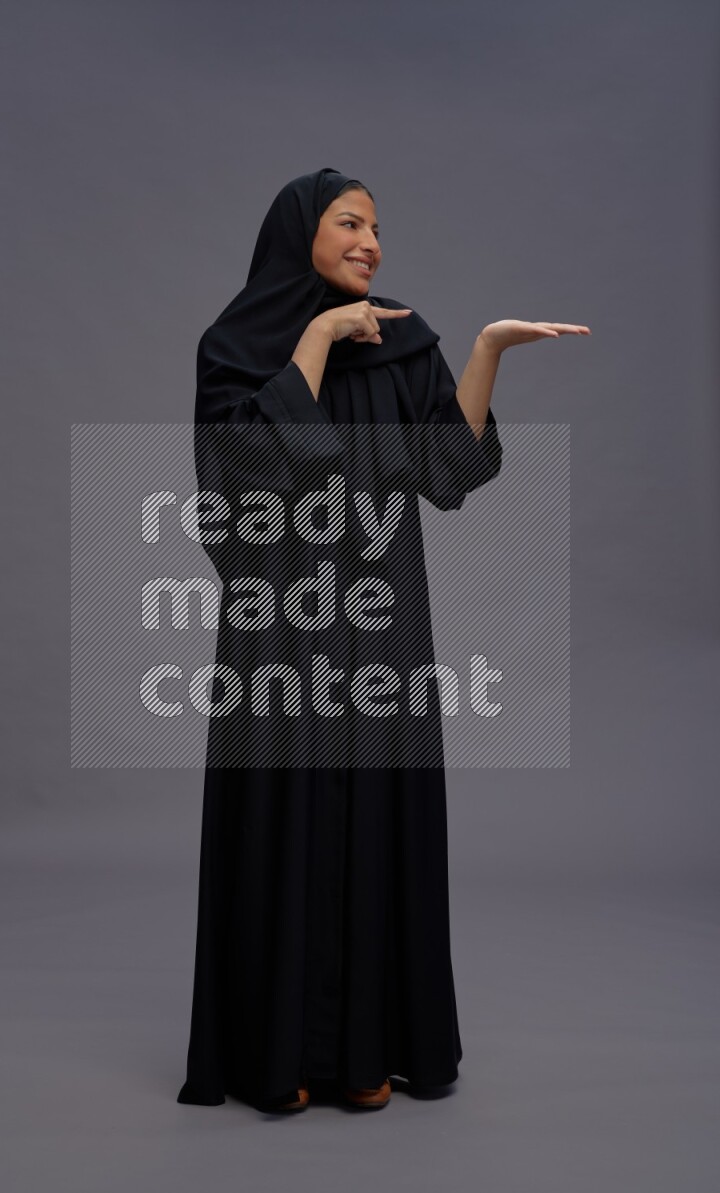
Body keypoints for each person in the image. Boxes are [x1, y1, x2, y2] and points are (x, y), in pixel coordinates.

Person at [176, 167, 590, 1113]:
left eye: (376, 228)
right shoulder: (235, 348)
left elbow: (451, 468)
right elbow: (238, 475)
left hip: (380, 622)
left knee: (374, 816)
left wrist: (485, 350)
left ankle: (366, 1050)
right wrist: (320, 337)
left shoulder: (401, 339)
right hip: (278, 625)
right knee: (283, 817)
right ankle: (275, 1054)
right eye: (350, 223)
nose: (371, 242)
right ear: (301, 235)